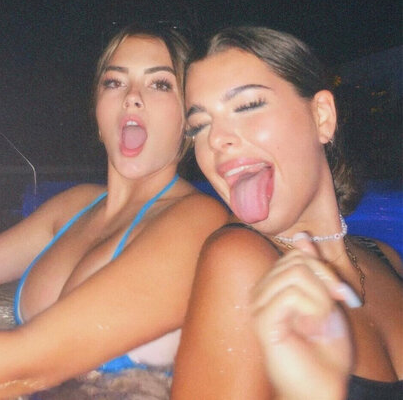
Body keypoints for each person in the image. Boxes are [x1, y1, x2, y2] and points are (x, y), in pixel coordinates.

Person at [0, 23, 228, 399]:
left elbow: (30, 362)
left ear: (188, 118)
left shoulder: (198, 221)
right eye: (114, 82)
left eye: (160, 84)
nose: (132, 97)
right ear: (97, 109)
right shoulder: (74, 206)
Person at [170, 26, 403, 400]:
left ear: (321, 117)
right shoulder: (239, 260)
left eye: (247, 106)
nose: (215, 139)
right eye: (199, 126)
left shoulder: (385, 258)